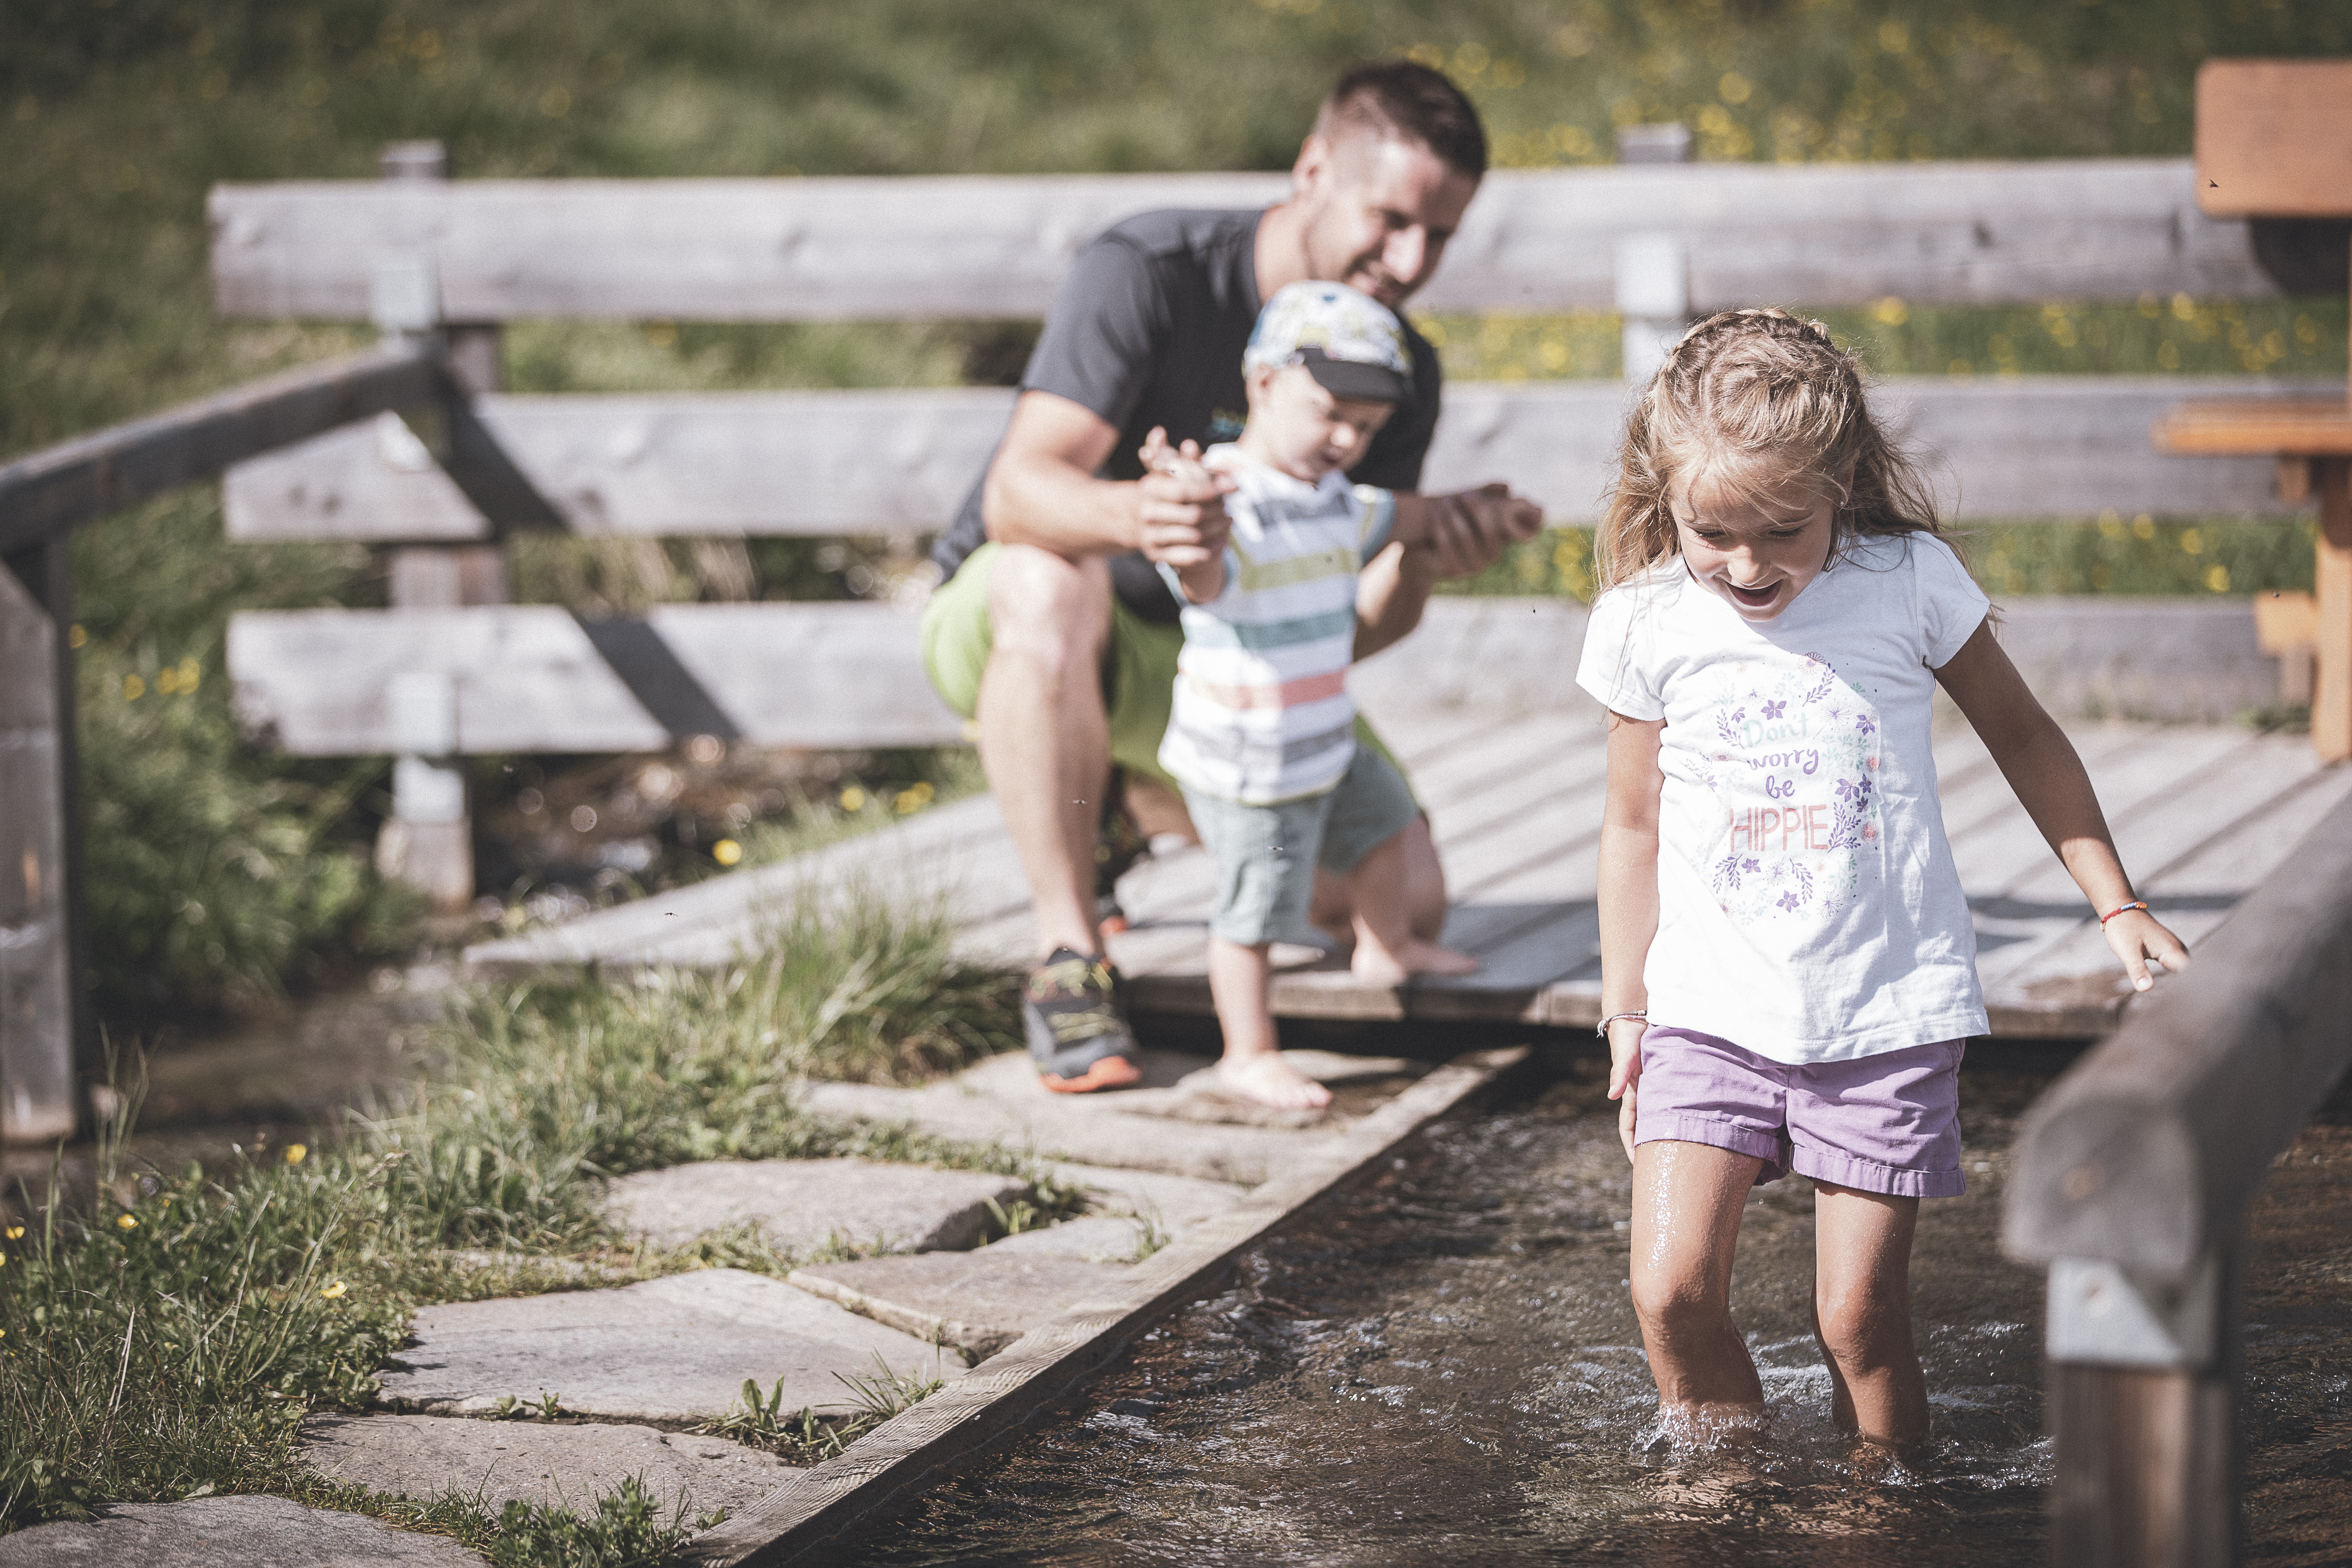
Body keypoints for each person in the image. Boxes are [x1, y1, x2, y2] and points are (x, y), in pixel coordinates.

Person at [1580, 308, 2191, 1453]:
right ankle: (1723, 1490)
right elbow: (1631, 824)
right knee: (1669, 1293)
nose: (1749, 566)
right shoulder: (1648, 620)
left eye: (1784, 530)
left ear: (1845, 480)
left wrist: (2118, 901)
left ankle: (1882, 1512)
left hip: (1885, 1014)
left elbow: (2027, 736)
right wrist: (1626, 1008)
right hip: (1709, 1016)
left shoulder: (1907, 580)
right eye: (1714, 531)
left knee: (1856, 1318)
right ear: (1666, 500)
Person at [919, 60, 1543, 1097]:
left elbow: (1342, 628)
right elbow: (1016, 496)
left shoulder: (1395, 370)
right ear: (1311, 171)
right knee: (1048, 582)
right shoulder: (1151, 269)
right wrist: (1144, 515)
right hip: (1028, 626)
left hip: (1221, 660)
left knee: (1409, 902)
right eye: (1390, 220)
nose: (1408, 260)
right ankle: (1069, 954)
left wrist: (1423, 558)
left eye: (1440, 236)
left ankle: (1124, 801)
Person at [1151, 281, 1480, 1111]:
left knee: (1385, 828)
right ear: (1263, 383)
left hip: (1325, 736)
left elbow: (1400, 517)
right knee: (1255, 906)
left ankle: (1388, 944)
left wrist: (1478, 515)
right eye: (1331, 413)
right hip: (1251, 760)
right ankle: (1247, 1050)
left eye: (1366, 430)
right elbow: (1203, 576)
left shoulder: (1339, 501)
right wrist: (1192, 524)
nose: (1345, 439)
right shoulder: (1227, 492)